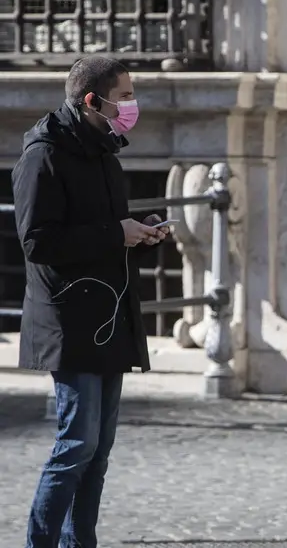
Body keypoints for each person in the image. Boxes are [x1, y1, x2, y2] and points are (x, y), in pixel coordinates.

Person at [14, 57, 172, 548]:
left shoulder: (103, 148)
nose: (131, 105)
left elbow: (105, 225)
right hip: (70, 319)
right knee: (76, 443)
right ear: (91, 101)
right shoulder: (44, 154)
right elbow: (36, 240)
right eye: (124, 96)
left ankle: (80, 542)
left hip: (108, 315)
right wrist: (113, 233)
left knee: (98, 449)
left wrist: (140, 231)